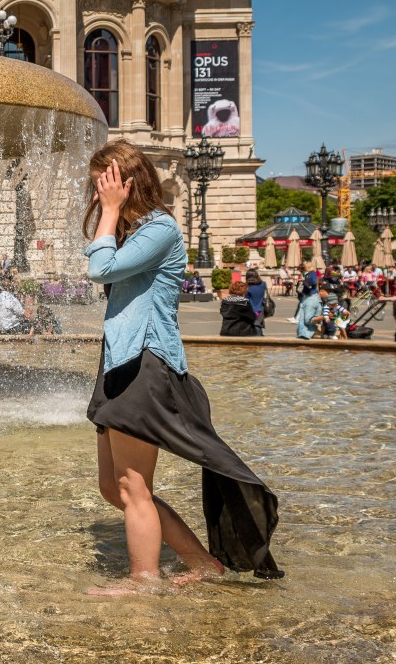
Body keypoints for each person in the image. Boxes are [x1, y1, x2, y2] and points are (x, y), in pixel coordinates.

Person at [82, 140, 282, 592]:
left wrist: (109, 211)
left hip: (144, 362)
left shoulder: (160, 229)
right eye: (97, 185)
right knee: (114, 489)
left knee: (133, 487)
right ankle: (202, 563)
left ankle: (143, 581)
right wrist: (110, 216)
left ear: (127, 183)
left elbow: (101, 269)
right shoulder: (132, 232)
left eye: (104, 183)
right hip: (119, 361)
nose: (96, 193)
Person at [245, 268, 267, 336]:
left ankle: (258, 339)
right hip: (261, 308)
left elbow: (246, 299)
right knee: (258, 324)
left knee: (255, 325)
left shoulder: (248, 288)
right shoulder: (263, 284)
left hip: (252, 309)